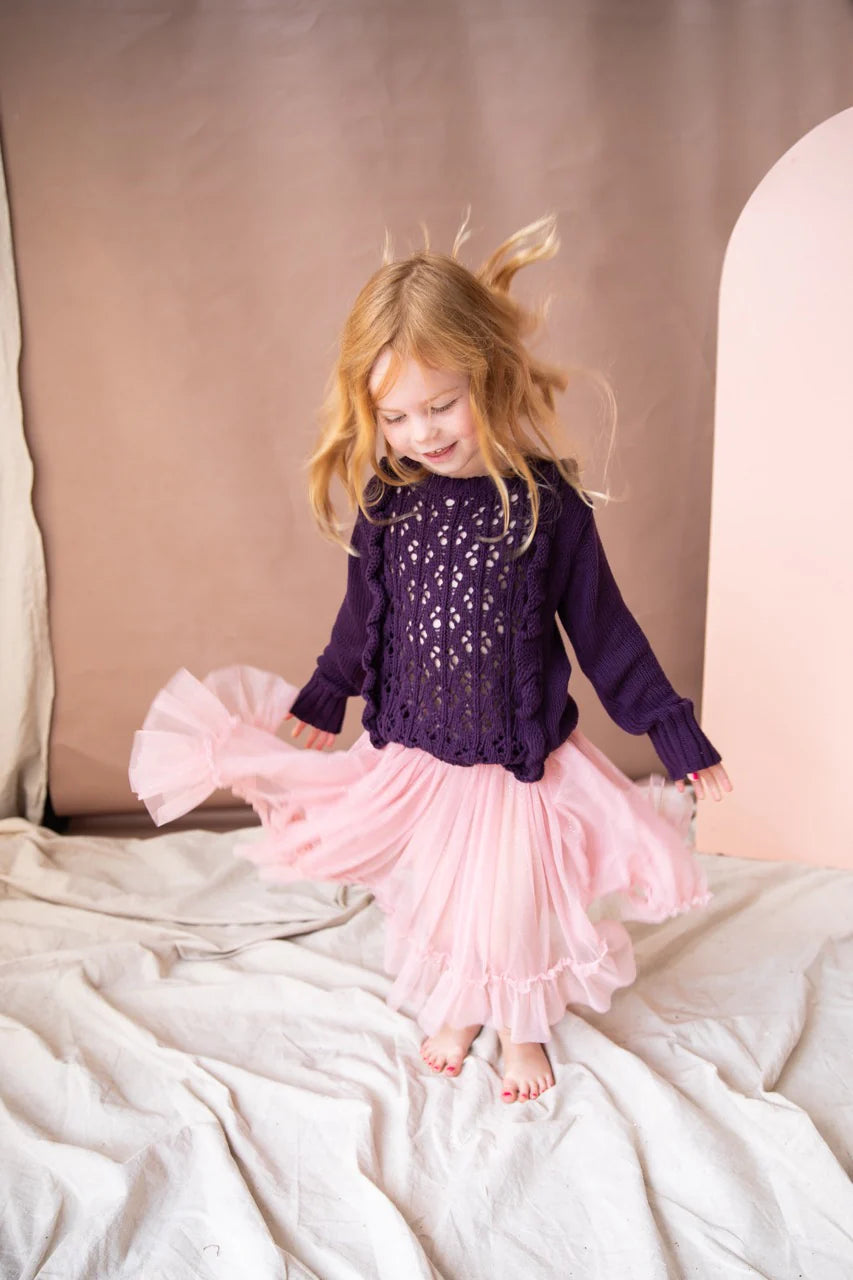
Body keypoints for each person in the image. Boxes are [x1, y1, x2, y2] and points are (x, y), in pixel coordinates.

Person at [129, 213, 733, 1107]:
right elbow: (362, 619)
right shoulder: (388, 503)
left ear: (486, 377)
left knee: (513, 901)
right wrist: (330, 689)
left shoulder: (548, 506)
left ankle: (523, 1027)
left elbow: (607, 634)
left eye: (441, 404)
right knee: (447, 895)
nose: (422, 431)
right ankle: (457, 1006)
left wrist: (673, 729)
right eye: (395, 414)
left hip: (516, 761)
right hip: (420, 752)